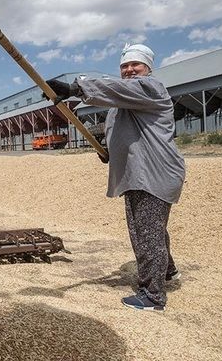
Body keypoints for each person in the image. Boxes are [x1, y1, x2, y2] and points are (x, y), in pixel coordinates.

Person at [44, 44, 185, 312]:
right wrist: (109, 149)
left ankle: (153, 296)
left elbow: (115, 89)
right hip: (140, 174)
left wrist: (75, 88)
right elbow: (117, 132)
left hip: (153, 173)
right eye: (125, 66)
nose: (130, 70)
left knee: (146, 233)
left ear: (148, 68)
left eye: (136, 65)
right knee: (153, 229)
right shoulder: (120, 107)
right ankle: (168, 271)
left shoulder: (150, 88)